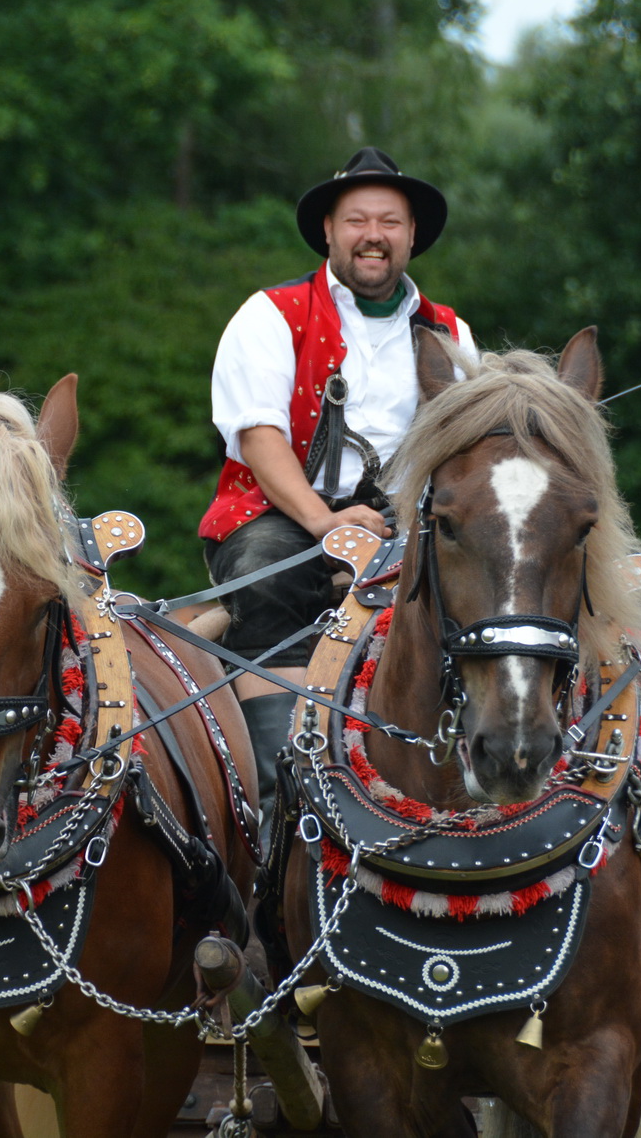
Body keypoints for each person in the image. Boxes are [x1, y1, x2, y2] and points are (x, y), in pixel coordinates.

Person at [199, 147, 476, 813]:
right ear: (329, 230)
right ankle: (281, 797)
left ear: (412, 235)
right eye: (357, 220)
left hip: (409, 521)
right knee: (268, 570)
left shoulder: (452, 333)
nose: (372, 235)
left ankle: (481, 775)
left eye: (389, 221)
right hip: (284, 514)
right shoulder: (271, 314)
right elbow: (260, 437)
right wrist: (325, 524)